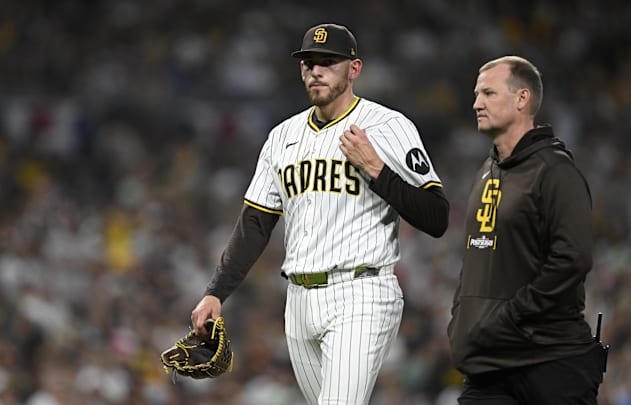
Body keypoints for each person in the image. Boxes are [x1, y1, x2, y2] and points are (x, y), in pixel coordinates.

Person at [190, 23, 450, 404]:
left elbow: (437, 217)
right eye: (309, 63)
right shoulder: (282, 137)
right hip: (298, 301)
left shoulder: (388, 126)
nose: (316, 71)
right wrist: (215, 293)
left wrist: (377, 169)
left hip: (362, 292)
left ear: (354, 69)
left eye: (328, 62)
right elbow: (255, 223)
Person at [446, 55, 607, 404]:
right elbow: (475, 258)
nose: (476, 104)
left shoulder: (555, 171)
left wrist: (509, 316)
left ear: (522, 99)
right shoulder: (486, 171)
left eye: (488, 93)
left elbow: (573, 259)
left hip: (551, 362)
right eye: (476, 94)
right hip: (490, 365)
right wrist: (463, 320)